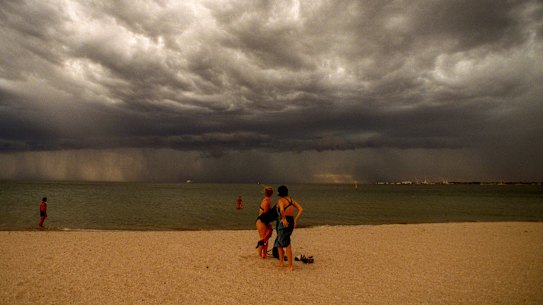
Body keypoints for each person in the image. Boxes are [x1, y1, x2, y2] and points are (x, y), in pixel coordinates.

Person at [274, 185, 303, 271]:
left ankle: (290, 266)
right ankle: (281, 263)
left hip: (284, 222)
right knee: (279, 242)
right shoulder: (291, 200)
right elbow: (301, 209)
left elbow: (282, 210)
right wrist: (295, 220)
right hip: (290, 221)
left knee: (287, 244)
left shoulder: (280, 200)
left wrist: (283, 219)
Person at [255, 186, 274, 258]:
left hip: (261, 220)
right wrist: (269, 223)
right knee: (263, 238)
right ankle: (260, 254)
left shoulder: (266, 200)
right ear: (272, 194)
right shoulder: (266, 202)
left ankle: (264, 255)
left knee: (265, 239)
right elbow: (266, 214)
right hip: (261, 221)